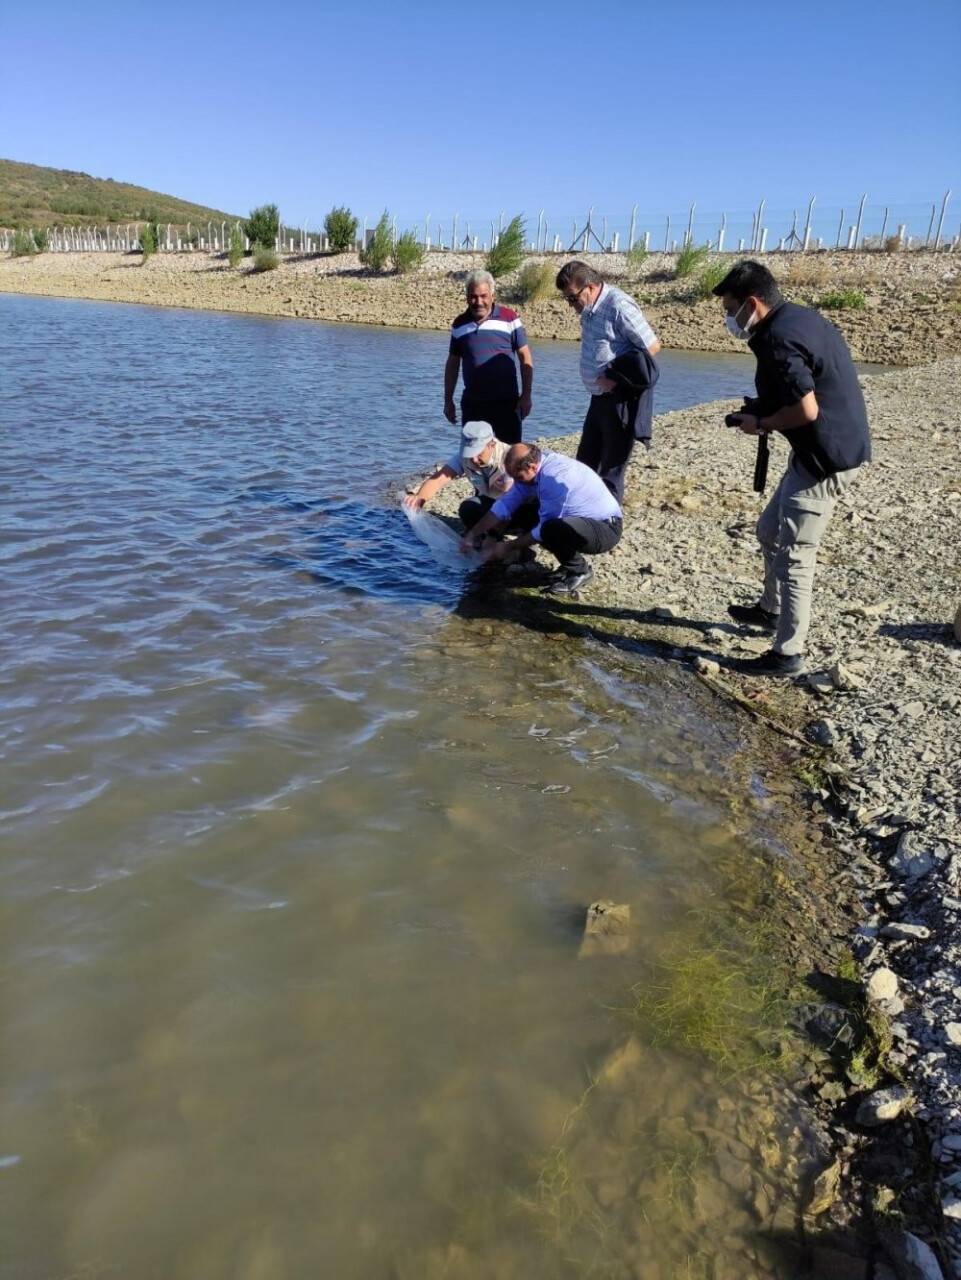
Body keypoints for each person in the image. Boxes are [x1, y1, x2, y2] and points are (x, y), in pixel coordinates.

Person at [712, 259, 871, 676]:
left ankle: (788, 653)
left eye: (731, 311)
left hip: (826, 458)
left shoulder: (778, 338)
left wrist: (762, 423)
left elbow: (805, 409)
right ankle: (770, 609)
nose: (730, 320)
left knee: (796, 555)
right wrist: (761, 409)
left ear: (752, 304)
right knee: (768, 531)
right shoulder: (797, 318)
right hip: (817, 450)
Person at [555, 260, 661, 502]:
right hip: (598, 398)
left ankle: (608, 523)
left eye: (573, 298)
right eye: (567, 300)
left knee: (611, 469)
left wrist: (614, 376)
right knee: (585, 463)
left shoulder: (618, 306)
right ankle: (582, 515)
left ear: (590, 287)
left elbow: (652, 347)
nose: (571, 305)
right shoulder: (589, 308)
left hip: (620, 400)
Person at [462, 443, 623, 596]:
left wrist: (507, 546)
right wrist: (472, 535)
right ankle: (567, 565)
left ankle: (579, 571)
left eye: (518, 477)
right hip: (576, 519)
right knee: (532, 517)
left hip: (604, 529)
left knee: (549, 528)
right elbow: (504, 506)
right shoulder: (534, 467)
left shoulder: (554, 477)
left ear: (531, 466)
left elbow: (543, 529)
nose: (515, 482)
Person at [445, 270, 533, 445]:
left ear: (493, 295)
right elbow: (452, 365)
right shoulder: (459, 324)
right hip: (473, 405)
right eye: (473, 296)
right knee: (474, 458)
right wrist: (448, 400)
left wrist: (526, 395)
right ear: (466, 297)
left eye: (483, 296)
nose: (478, 302)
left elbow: (525, 358)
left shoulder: (510, 319)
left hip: (507, 403)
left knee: (509, 459)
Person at [403, 420, 537, 535]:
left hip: (519, 507)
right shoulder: (464, 458)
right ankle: (488, 531)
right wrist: (419, 498)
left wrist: (492, 536)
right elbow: (439, 479)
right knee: (468, 509)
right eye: (469, 453)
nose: (473, 459)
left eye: (478, 453)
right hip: (493, 503)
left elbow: (512, 501)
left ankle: (516, 535)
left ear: (492, 445)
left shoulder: (509, 458)